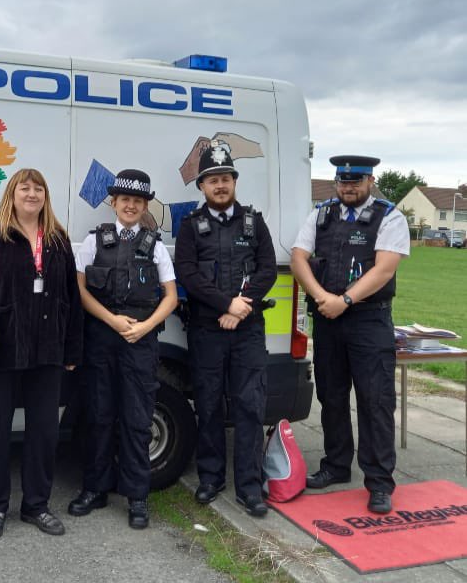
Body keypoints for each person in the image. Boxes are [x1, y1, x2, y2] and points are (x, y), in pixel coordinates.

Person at [0, 168, 83, 540]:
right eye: (24, 187)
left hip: (48, 351)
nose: (31, 193)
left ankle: (36, 505)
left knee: (44, 432)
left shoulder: (57, 240)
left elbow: (71, 299)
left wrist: (72, 347)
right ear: (12, 194)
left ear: (45, 196)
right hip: (1, 349)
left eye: (38, 188)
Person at [290, 155, 409, 514]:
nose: (348, 188)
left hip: (369, 322)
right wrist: (321, 296)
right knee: (332, 395)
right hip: (329, 319)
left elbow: (384, 269)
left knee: (375, 401)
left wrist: (344, 299)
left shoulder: (390, 216)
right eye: (343, 182)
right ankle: (337, 465)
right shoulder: (321, 213)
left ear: (370, 181)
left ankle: (379, 482)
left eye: (355, 182)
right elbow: (299, 258)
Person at [68, 169, 178, 529]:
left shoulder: (155, 245)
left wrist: (145, 327)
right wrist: (112, 321)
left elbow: (171, 297)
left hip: (140, 344)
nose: (130, 206)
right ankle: (95, 489)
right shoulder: (93, 242)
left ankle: (137, 497)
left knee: (136, 419)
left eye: (137, 201)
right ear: (113, 203)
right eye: (124, 200)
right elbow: (80, 291)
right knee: (98, 415)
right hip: (102, 339)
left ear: (145, 206)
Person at [174, 144, 276, 517]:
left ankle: (250, 487)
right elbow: (188, 273)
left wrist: (241, 305)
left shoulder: (254, 222)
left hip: (247, 329)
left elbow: (266, 269)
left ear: (234, 181)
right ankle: (211, 478)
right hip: (206, 329)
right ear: (201, 186)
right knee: (209, 404)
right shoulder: (190, 226)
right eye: (212, 180)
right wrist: (224, 304)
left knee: (250, 407)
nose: (220, 185)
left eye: (225, 178)